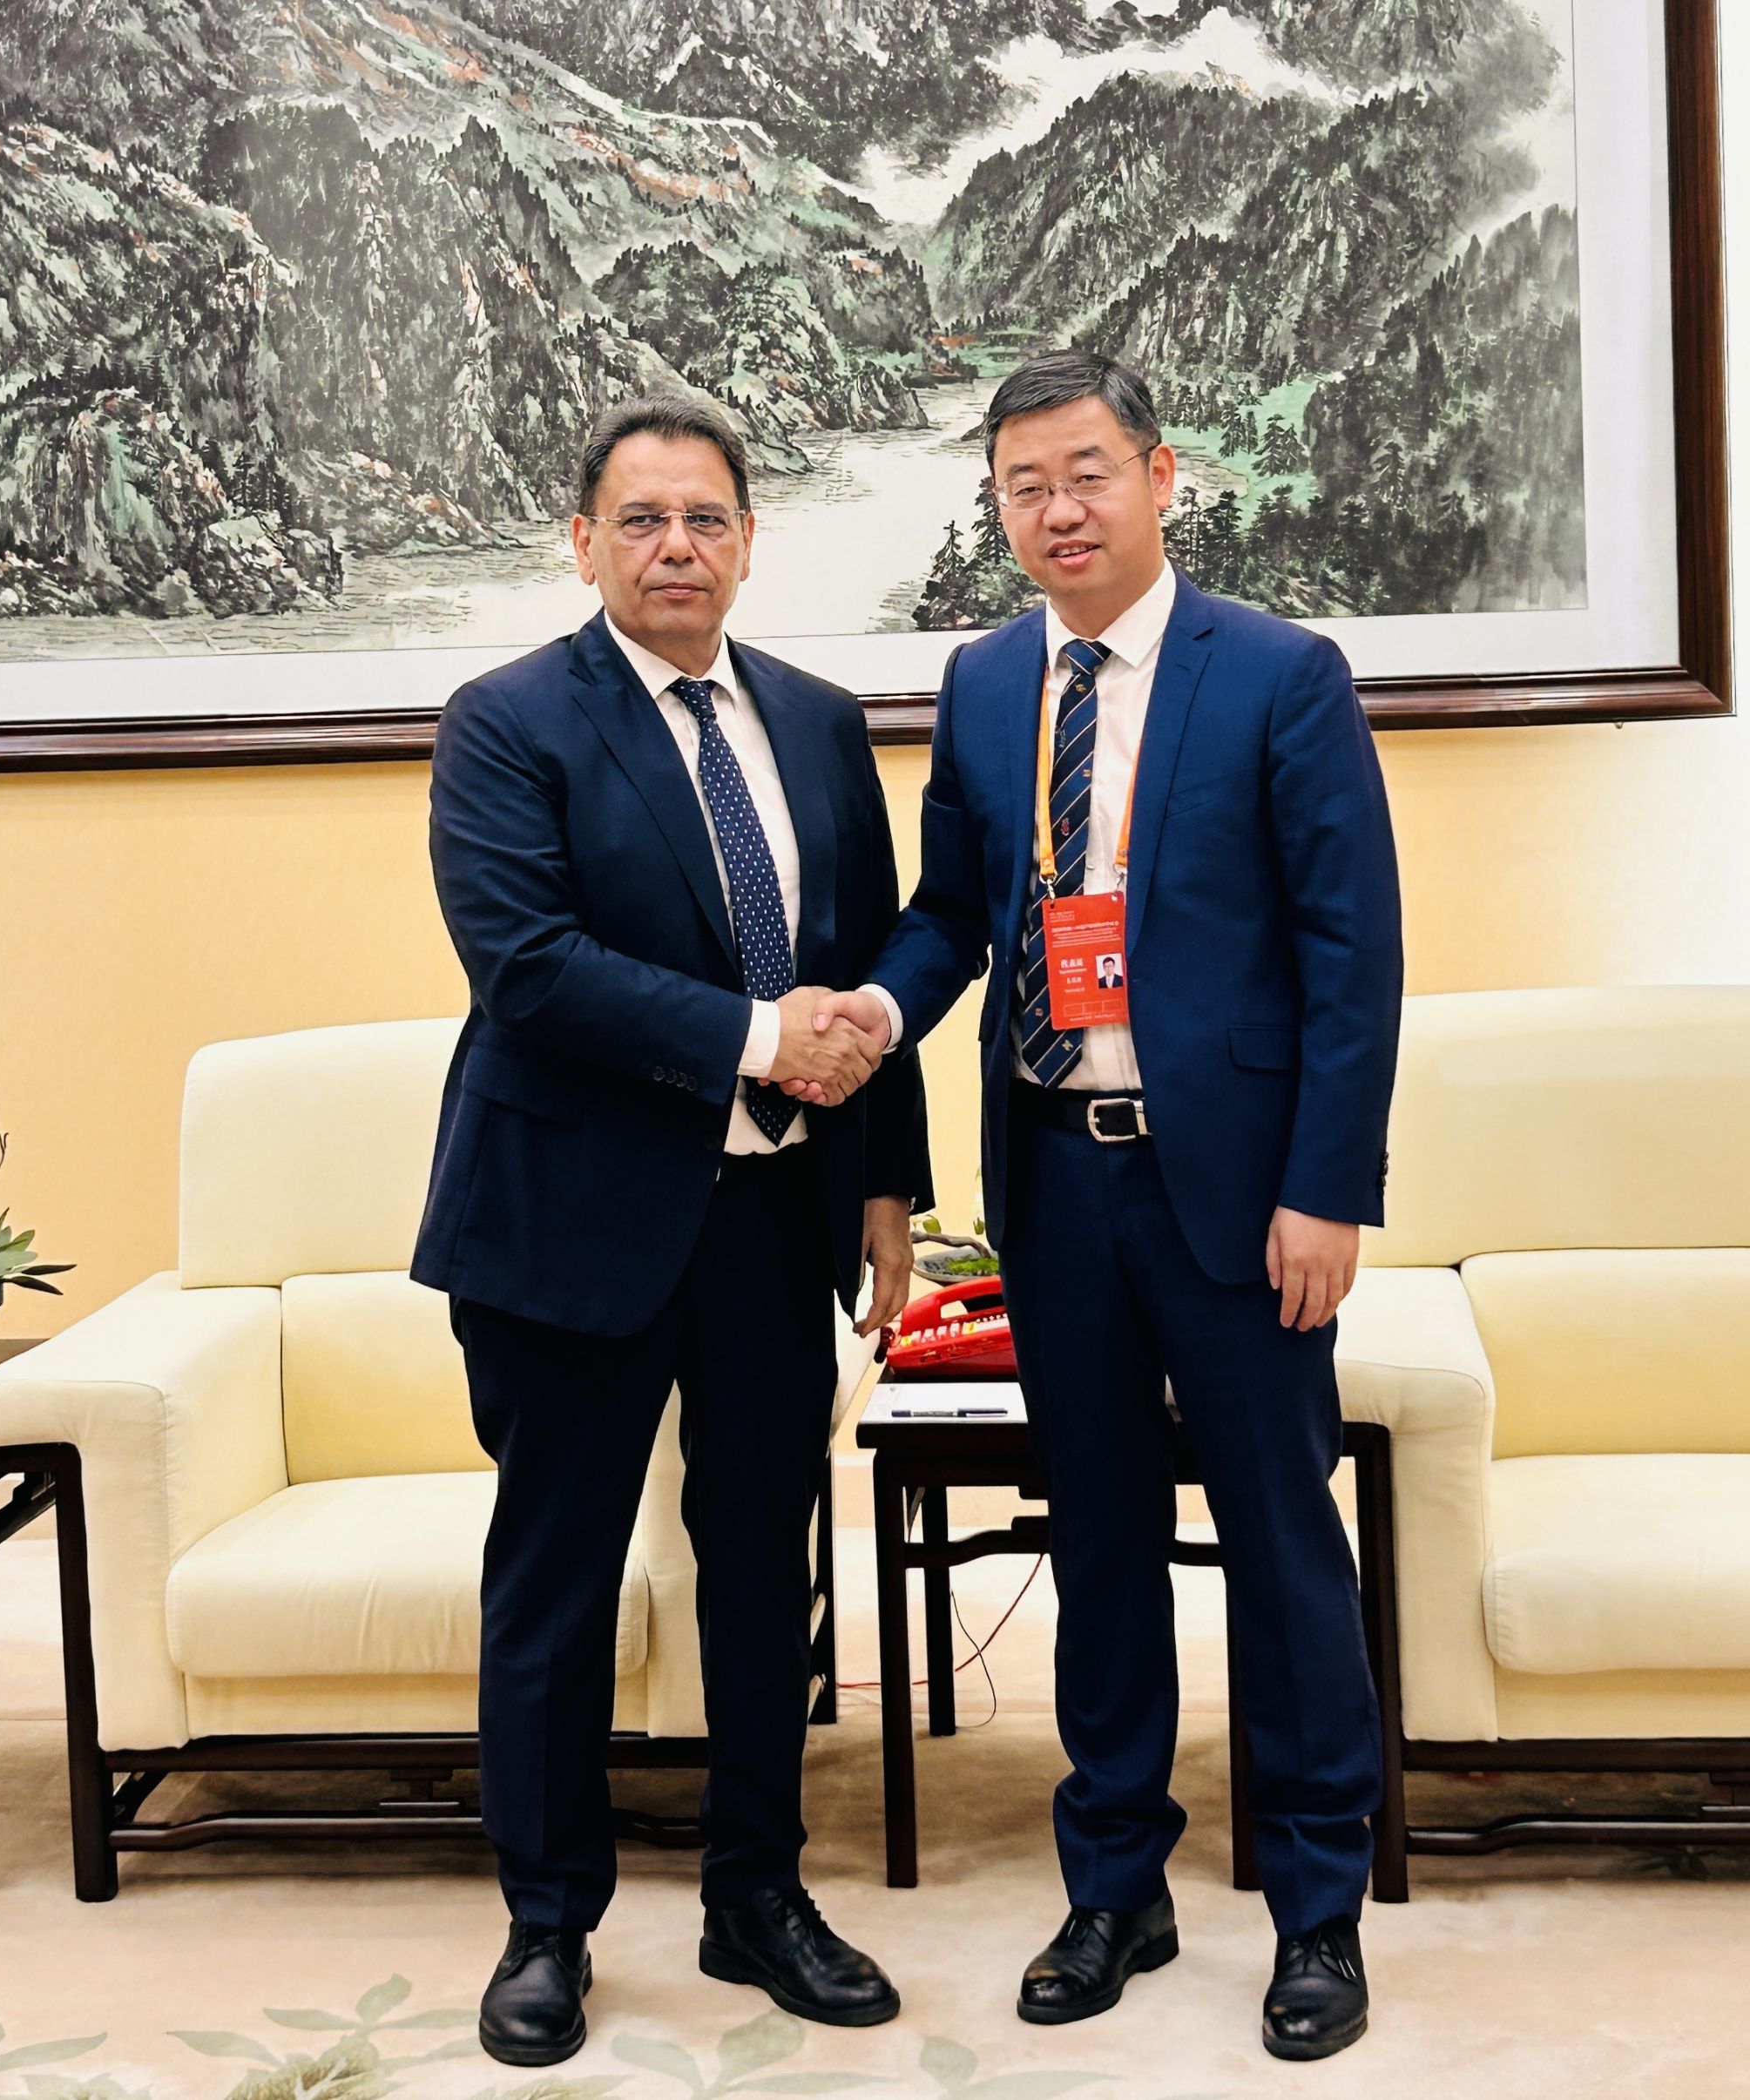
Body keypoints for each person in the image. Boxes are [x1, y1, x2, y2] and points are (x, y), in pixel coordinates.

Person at [807, 350, 1402, 2062]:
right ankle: (1116, 1885)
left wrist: (1326, 1189)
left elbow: (1352, 951)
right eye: (1023, 486)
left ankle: (1315, 1908)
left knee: (1283, 1546)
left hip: (1240, 1196)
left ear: (1158, 474)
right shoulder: (988, 682)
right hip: (1057, 1181)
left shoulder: (1280, 675)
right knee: (1101, 1539)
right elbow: (953, 912)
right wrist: (875, 1011)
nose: (1057, 511)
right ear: (997, 507)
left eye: (1086, 474)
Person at [412, 390, 932, 2067]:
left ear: (750, 542)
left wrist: (884, 1183)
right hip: (569, 1219)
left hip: (774, 1218)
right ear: (583, 544)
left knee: (765, 1570)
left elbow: (865, 959)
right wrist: (759, 1037)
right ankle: (545, 1923)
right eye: (640, 520)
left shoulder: (820, 722)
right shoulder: (506, 723)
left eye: (705, 518)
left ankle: (756, 1893)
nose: (675, 547)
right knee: (556, 1579)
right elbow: (529, 965)